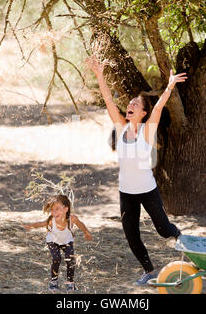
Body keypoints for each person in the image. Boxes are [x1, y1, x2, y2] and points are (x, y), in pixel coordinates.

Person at [86, 55, 187, 285]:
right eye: (130, 104)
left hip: (147, 190)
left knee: (163, 230)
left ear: (143, 113)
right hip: (126, 192)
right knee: (132, 237)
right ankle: (149, 271)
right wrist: (99, 75)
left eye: (135, 105)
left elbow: (159, 107)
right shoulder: (121, 128)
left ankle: (182, 238)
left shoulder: (147, 131)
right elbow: (109, 101)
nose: (130, 106)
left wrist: (170, 86)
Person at [22, 194, 92, 292]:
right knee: (56, 258)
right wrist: (30, 226)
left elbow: (81, 225)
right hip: (53, 241)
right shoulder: (51, 220)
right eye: (52, 210)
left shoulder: (72, 219)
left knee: (70, 260)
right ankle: (54, 282)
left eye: (57, 209)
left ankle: (70, 283)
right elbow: (41, 224)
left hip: (67, 241)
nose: (54, 212)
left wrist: (86, 232)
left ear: (66, 209)